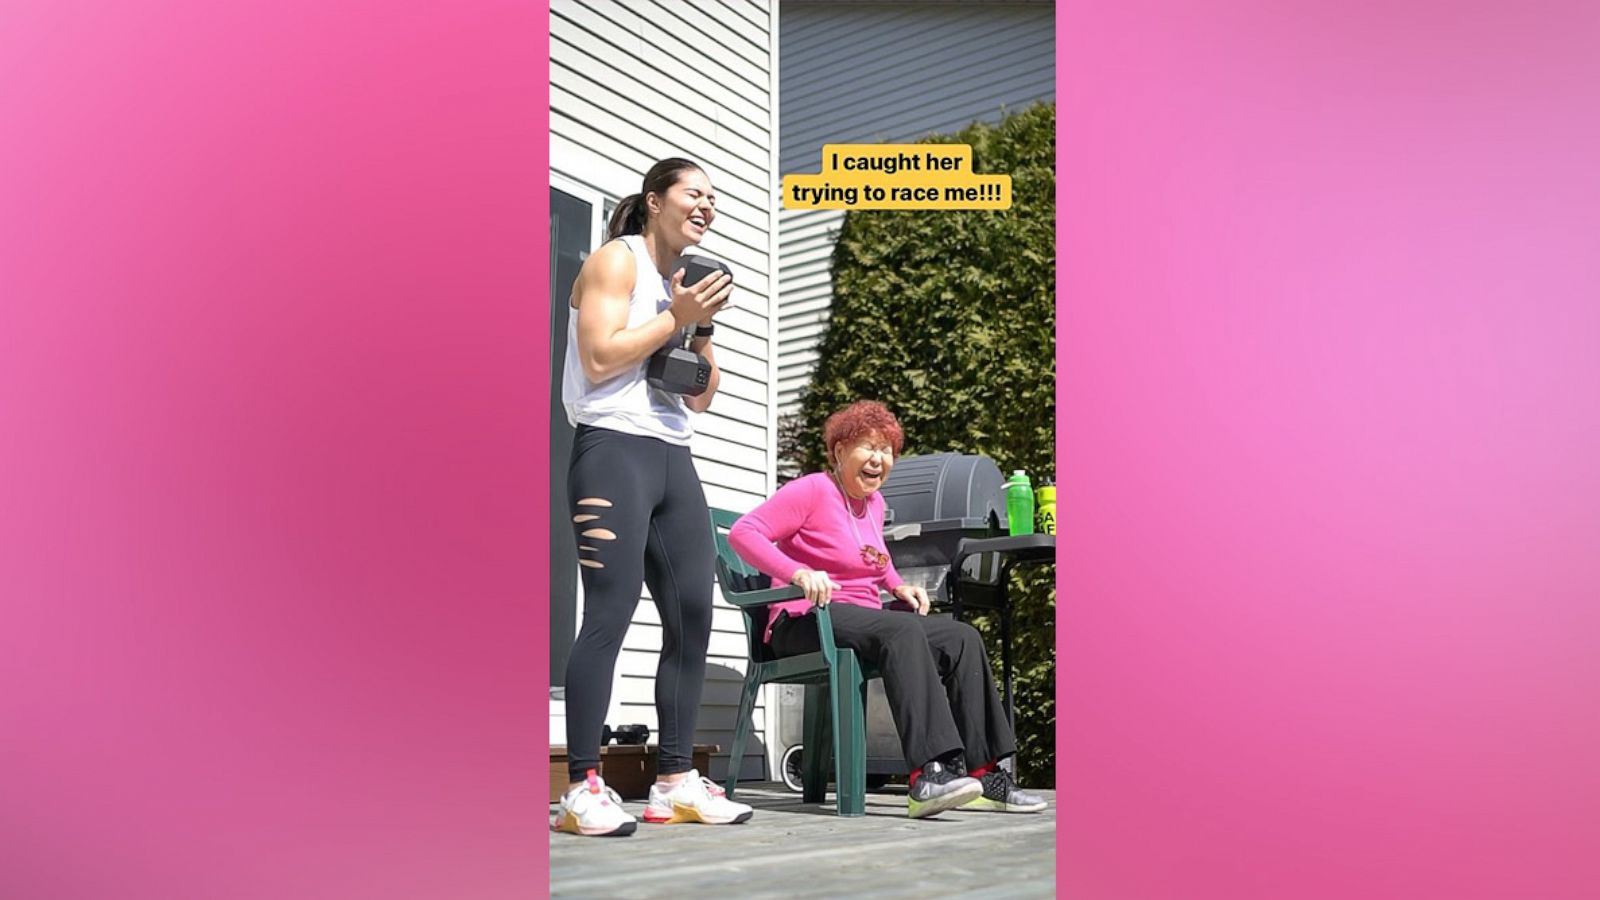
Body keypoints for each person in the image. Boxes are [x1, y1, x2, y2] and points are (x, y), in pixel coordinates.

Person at [550, 157, 753, 837]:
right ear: (654, 200)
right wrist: (676, 317)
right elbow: (602, 357)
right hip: (612, 450)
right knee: (609, 610)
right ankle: (581, 786)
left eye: (713, 198)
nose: (707, 206)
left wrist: (699, 326)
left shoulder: (683, 284)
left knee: (695, 613)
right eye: (695, 193)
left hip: (673, 455)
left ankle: (674, 781)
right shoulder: (617, 261)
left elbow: (699, 397)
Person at [729, 401, 1047, 818]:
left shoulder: (873, 505)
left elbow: (875, 560)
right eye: (867, 447)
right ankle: (928, 776)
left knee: (961, 637)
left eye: (887, 450)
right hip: (805, 621)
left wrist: (899, 586)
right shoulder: (812, 490)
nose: (879, 459)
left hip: (860, 621)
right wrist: (798, 572)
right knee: (902, 631)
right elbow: (743, 533)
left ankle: (986, 773)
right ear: (840, 450)